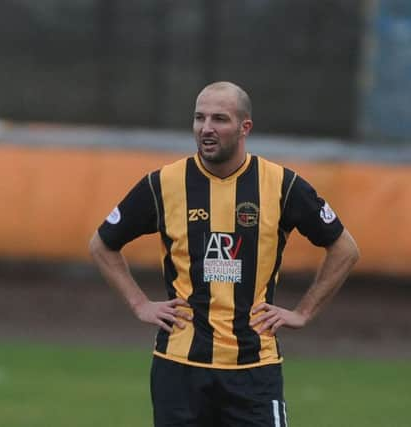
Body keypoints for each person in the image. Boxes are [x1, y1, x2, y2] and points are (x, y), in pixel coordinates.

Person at [89, 81, 360, 427]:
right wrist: (139, 304)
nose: (206, 129)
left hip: (254, 370)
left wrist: (303, 312)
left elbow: (345, 249)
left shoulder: (281, 185)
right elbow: (102, 244)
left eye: (219, 119)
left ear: (245, 127)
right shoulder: (164, 184)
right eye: (199, 118)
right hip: (180, 370)